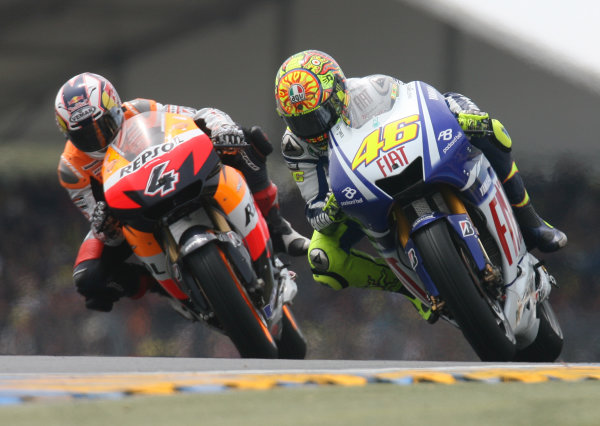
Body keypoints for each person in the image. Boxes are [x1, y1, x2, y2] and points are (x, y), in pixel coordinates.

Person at [273, 49, 567, 322]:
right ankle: (408, 291)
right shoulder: (295, 145)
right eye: (302, 122)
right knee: (321, 260)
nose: (314, 128)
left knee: (491, 130)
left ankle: (532, 222)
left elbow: (425, 103)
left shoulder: (372, 89)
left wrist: (461, 117)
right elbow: (315, 214)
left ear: (339, 94)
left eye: (319, 114)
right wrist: (332, 206)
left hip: (408, 158)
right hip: (355, 198)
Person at [55, 72, 309, 312]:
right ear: (68, 135)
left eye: (103, 126)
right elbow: (101, 226)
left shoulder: (140, 109)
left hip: (174, 172)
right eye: (85, 136)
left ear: (116, 109)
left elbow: (196, 117)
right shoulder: (70, 168)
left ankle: (276, 228)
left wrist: (222, 128)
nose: (98, 139)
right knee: (88, 279)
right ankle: (160, 287)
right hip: (128, 212)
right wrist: (107, 226)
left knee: (249, 138)